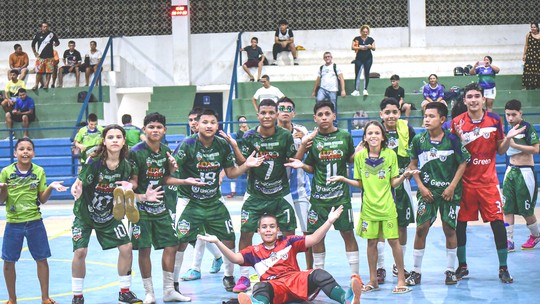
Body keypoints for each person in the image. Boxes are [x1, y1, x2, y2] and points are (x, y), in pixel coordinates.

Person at [172, 109, 264, 292]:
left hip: (214, 201)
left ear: (217, 125)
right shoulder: (187, 144)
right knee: (180, 242)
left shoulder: (222, 145)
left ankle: (229, 277)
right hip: (190, 201)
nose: (209, 125)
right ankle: (173, 283)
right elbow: (173, 169)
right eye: (205, 122)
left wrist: (246, 165)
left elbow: (231, 172)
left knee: (229, 238)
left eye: (212, 122)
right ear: (197, 125)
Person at [198, 206, 362, 304]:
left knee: (319, 274)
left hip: (297, 282)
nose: (268, 230)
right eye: (264, 227)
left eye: (271, 227)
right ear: (258, 231)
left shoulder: (289, 242)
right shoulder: (253, 251)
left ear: (277, 230)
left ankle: (347, 299)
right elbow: (234, 258)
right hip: (276, 288)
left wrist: (329, 221)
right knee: (260, 286)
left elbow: (313, 239)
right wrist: (218, 241)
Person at [450, 83, 525, 284]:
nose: (473, 100)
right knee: (461, 225)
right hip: (465, 184)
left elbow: (500, 150)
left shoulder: (495, 120)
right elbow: (454, 154)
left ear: (483, 99)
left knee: (498, 224)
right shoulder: (456, 123)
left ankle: (503, 268)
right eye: (470, 97)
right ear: (464, 100)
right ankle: (462, 266)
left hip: (488, 184)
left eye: (477, 96)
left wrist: (508, 139)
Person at [220, 99, 298, 293]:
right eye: (263, 112)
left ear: (277, 114)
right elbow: (242, 162)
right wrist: (236, 147)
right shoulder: (249, 136)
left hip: (281, 193)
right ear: (258, 115)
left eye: (271, 112)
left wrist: (303, 143)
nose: (267, 116)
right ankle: (244, 277)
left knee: (289, 235)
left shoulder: (285, 136)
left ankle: (289, 273)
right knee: (246, 233)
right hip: (254, 194)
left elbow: (293, 159)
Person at [128, 112, 205, 303]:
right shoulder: (136, 152)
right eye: (151, 127)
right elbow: (134, 183)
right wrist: (134, 193)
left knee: (172, 244)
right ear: (144, 129)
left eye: (159, 127)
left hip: (161, 207)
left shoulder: (164, 151)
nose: (155, 130)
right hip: (141, 209)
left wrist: (183, 180)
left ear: (164, 130)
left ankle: (169, 290)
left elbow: (164, 179)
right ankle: (149, 293)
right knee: (144, 249)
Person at [329, 120, 414, 294]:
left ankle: (401, 280)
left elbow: (394, 183)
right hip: (368, 208)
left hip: (387, 207)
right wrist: (344, 179)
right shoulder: (360, 157)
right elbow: (360, 184)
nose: (373, 136)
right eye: (370, 133)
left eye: (377, 133)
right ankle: (373, 280)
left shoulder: (390, 154)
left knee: (393, 241)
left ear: (383, 136)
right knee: (371, 243)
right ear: (365, 137)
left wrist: (404, 176)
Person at [70, 125, 149, 304]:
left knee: (127, 247)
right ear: (104, 141)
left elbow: (130, 185)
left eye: (118, 137)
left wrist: (133, 190)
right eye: (110, 137)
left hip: (108, 215)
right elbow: (80, 181)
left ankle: (124, 292)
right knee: (80, 251)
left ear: (123, 141)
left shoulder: (126, 166)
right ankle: (77, 295)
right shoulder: (95, 162)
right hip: (85, 214)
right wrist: (77, 187)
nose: (114, 140)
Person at [286, 100, 359, 277]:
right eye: (320, 115)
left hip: (340, 197)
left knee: (348, 234)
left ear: (334, 116)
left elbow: (350, 159)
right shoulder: (312, 140)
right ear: (315, 119)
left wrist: (360, 152)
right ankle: (319, 275)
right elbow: (312, 167)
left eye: (327, 114)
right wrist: (302, 165)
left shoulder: (345, 136)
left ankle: (354, 275)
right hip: (318, 199)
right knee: (317, 237)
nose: (324, 117)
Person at [406, 102, 470, 286]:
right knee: (421, 229)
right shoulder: (418, 140)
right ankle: (416, 272)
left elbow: (463, 163)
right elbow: (413, 165)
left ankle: (450, 271)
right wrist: (420, 186)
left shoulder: (452, 140)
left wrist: (451, 187)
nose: (427, 119)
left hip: (449, 193)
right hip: (428, 192)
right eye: (425, 116)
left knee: (449, 229)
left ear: (442, 119)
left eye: (431, 116)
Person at [0, 138, 68, 304]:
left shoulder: (39, 171)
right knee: (8, 262)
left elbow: (42, 199)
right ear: (15, 153)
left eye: (29, 149)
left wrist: (51, 187)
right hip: (13, 224)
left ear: (33, 153)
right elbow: (1, 200)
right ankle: (12, 299)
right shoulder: (6, 172)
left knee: (42, 259)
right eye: (21, 149)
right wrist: (3, 189)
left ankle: (45, 298)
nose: (25, 151)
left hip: (35, 223)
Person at [172, 108, 224, 288]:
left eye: (196, 119)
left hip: (208, 196)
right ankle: (218, 256)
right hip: (187, 194)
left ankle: (195, 267)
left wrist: (221, 174)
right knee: (192, 235)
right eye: (191, 120)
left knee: (200, 233)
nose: (193, 123)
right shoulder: (186, 143)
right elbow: (172, 164)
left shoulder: (218, 143)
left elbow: (225, 162)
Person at [374, 97, 416, 284]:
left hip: (402, 182)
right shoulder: (375, 131)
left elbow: (415, 155)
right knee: (381, 226)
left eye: (395, 112)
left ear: (400, 113)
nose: (391, 115)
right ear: (381, 114)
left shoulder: (407, 130)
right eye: (387, 112)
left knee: (402, 225)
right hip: (379, 185)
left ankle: (399, 266)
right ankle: (380, 267)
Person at [276, 97, 313, 269]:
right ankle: (288, 268)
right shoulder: (272, 132)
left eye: (289, 108)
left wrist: (305, 140)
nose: (285, 111)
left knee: (307, 231)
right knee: (284, 233)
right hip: (279, 191)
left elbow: (312, 152)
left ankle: (310, 270)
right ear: (277, 112)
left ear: (294, 113)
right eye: (282, 108)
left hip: (300, 189)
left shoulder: (302, 130)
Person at [502, 99, 540, 251]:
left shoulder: (527, 127)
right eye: (507, 115)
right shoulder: (509, 129)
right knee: (507, 208)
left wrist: (515, 145)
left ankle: (536, 235)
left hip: (525, 172)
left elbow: (536, 149)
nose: (510, 118)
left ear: (520, 113)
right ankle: (509, 240)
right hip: (511, 170)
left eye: (513, 114)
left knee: (526, 210)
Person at [226, 115, 250, 198]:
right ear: (239, 124)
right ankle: (232, 191)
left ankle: (250, 190)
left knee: (251, 174)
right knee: (234, 173)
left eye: (244, 119)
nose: (243, 121)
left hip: (250, 155)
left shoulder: (251, 132)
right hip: (240, 156)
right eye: (241, 121)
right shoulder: (238, 134)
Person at [31, 22, 60, 90]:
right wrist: (35, 52)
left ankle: (46, 84)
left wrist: (56, 44)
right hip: (40, 57)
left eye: (46, 26)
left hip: (50, 57)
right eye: (44, 26)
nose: (45, 28)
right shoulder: (38, 35)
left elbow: (57, 42)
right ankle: (36, 85)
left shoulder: (51, 34)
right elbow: (33, 44)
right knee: (39, 71)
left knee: (49, 72)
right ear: (41, 27)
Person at [351, 25, 376, 96]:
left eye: (366, 32)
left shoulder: (370, 39)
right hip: (359, 58)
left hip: (368, 58)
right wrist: (360, 48)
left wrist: (369, 46)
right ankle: (356, 90)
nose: (365, 33)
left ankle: (365, 89)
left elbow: (374, 48)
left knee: (366, 73)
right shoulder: (357, 39)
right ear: (361, 31)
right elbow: (353, 47)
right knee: (357, 73)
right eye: (364, 32)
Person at [522, 22, 540, 90]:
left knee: (537, 69)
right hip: (530, 55)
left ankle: (537, 86)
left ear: (537, 28)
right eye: (532, 27)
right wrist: (524, 54)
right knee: (529, 69)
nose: (533, 28)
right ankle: (528, 86)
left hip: (538, 55)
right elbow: (526, 45)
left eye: (534, 27)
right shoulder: (528, 35)